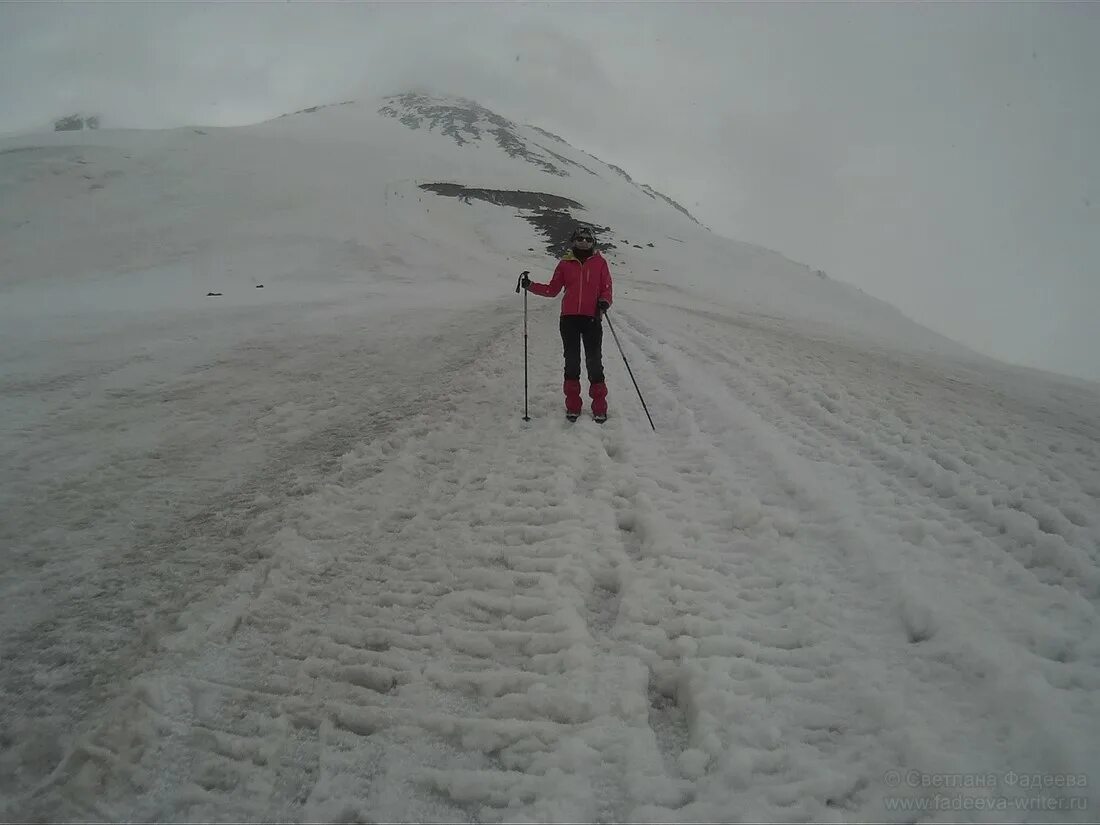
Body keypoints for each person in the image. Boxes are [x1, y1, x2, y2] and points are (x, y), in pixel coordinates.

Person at [522, 227, 613, 422]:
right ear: (574, 241)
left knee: (594, 362)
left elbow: (606, 287)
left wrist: (605, 301)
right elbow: (552, 290)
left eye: (588, 239)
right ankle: (573, 406)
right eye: (580, 238)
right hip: (569, 320)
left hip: (592, 319)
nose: (584, 242)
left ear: (593, 242)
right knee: (572, 362)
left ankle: (599, 406)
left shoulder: (600, 263)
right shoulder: (564, 264)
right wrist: (531, 286)